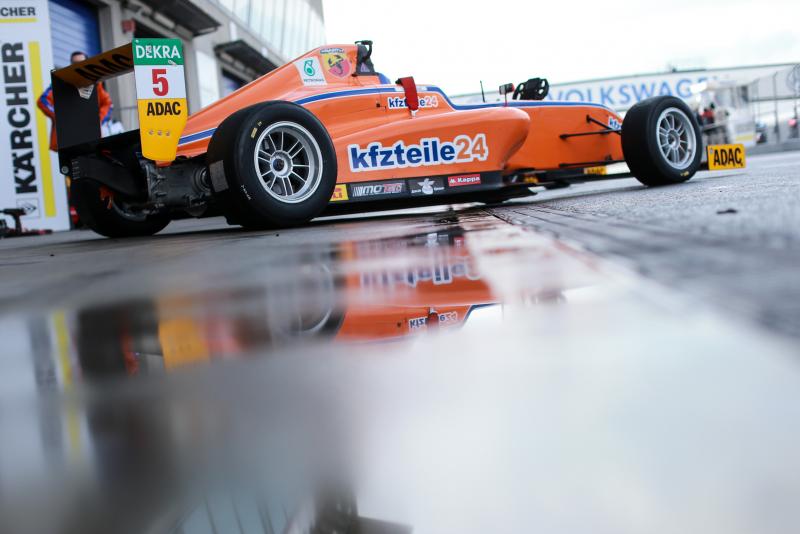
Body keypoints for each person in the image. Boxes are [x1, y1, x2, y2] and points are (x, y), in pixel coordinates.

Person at [37, 50, 113, 151]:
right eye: (74, 63)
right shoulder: (61, 81)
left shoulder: (95, 83)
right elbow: (43, 101)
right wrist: (61, 117)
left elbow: (108, 104)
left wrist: (97, 120)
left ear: (87, 63)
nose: (78, 66)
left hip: (90, 137)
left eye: (81, 62)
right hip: (67, 139)